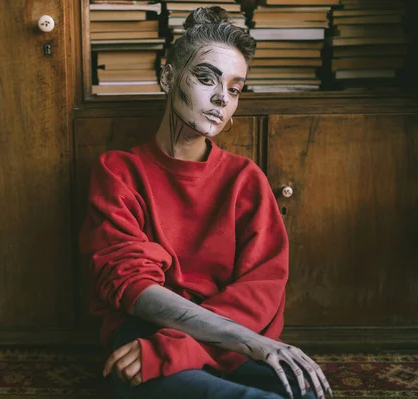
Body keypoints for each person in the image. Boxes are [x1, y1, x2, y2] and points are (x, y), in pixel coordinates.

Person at [79, 6, 333, 399]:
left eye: (234, 89)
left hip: (233, 341)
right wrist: (168, 349)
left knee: (307, 389)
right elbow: (132, 285)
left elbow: (262, 289)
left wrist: (183, 348)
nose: (220, 98)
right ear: (168, 77)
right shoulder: (118, 171)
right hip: (145, 337)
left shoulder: (245, 178)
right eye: (205, 78)